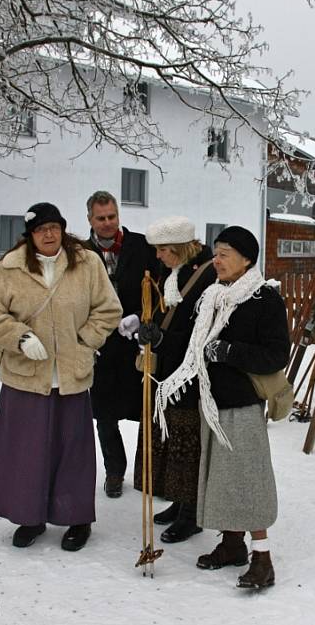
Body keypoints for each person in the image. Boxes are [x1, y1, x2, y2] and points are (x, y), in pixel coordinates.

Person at [0, 202, 122, 551]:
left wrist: (85, 342)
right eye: (41, 229)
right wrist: (20, 338)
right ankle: (29, 516)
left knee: (73, 450)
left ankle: (77, 519)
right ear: (30, 234)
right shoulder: (10, 268)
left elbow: (108, 309)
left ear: (63, 228)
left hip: (71, 374)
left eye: (54, 227)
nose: (48, 234)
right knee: (26, 451)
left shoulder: (86, 263)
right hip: (26, 376)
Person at [153, 226, 289, 589]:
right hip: (211, 402)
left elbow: (277, 354)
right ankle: (232, 545)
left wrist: (230, 352)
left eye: (225, 253)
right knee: (221, 480)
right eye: (216, 252)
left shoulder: (264, 299)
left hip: (242, 405)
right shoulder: (214, 295)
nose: (217, 259)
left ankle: (263, 559)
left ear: (247, 259)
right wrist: (161, 337)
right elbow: (193, 344)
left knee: (248, 482)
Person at [128, 216, 216, 543]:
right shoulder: (173, 273)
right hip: (166, 369)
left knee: (185, 440)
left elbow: (201, 330)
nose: (159, 256)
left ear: (181, 247)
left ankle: (191, 512)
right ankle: (177, 501)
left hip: (189, 373)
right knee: (167, 435)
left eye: (164, 249)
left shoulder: (206, 276)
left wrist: (165, 340)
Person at [83, 190, 157, 499]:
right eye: (100, 218)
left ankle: (147, 470)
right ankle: (114, 470)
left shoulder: (141, 246)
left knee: (146, 408)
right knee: (104, 412)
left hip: (138, 343)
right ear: (90, 219)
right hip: (101, 345)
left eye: (111, 216)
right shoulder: (81, 252)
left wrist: (143, 317)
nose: (107, 223)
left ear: (118, 216)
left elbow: (159, 286)